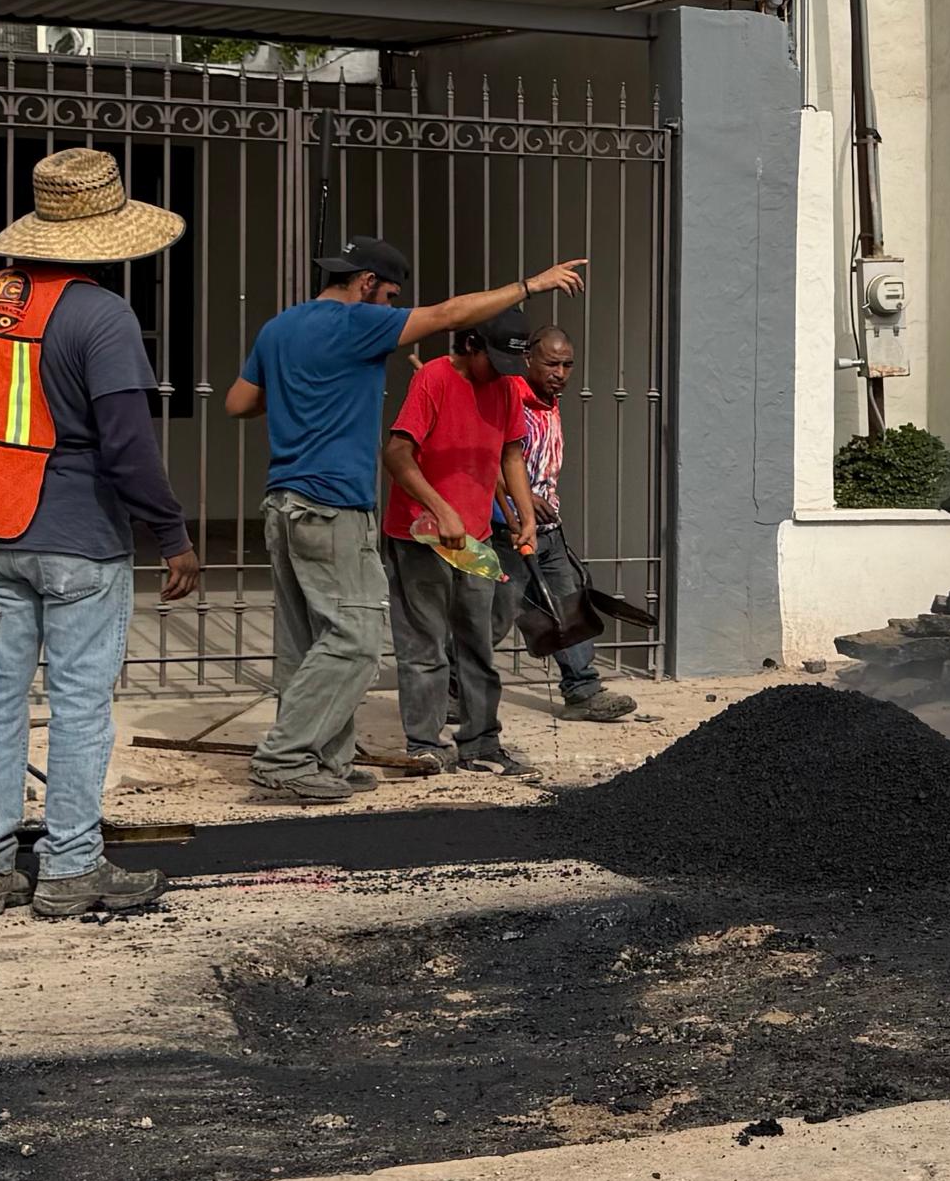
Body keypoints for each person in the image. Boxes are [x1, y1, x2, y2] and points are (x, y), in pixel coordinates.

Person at [0, 148, 205, 922]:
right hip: (79, 537)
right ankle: (71, 867)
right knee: (81, 706)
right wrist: (171, 534)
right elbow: (128, 445)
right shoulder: (101, 315)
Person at [225, 237, 582, 803]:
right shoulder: (360, 323)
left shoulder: (279, 329)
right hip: (333, 505)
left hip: (283, 505)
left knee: (307, 643)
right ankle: (286, 756)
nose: (392, 307)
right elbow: (448, 314)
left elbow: (239, 403)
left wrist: (305, 385)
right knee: (357, 639)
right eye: (390, 295)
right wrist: (530, 285)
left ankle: (327, 759)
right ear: (367, 283)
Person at [380, 309, 533, 773]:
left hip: (475, 540)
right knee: (424, 645)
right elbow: (397, 454)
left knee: (477, 644)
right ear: (471, 345)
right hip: (420, 535)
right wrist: (440, 508)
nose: (502, 373)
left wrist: (526, 515)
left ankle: (481, 742)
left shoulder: (506, 387)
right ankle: (424, 745)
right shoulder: (433, 379)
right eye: (496, 361)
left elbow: (510, 454)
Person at [498, 324, 639, 723]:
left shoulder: (550, 402)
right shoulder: (509, 398)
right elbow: (487, 460)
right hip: (507, 529)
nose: (560, 373)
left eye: (567, 365)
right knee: (494, 617)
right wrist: (525, 499)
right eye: (551, 363)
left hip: (548, 531)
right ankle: (455, 690)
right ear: (528, 359)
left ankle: (582, 691)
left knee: (568, 606)